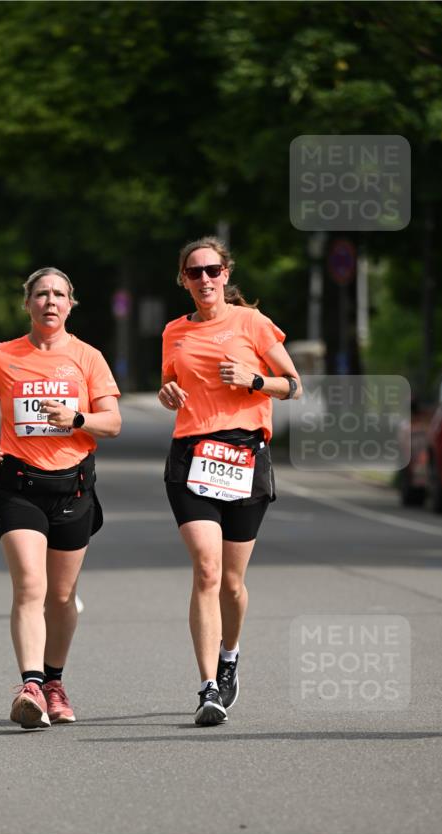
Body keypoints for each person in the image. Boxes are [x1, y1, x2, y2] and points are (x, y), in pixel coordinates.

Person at [0, 267, 121, 730]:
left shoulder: (88, 358)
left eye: (59, 294)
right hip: (19, 486)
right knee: (30, 587)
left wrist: (76, 418)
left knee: (62, 597)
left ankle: (54, 682)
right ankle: (30, 686)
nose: (50, 301)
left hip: (72, 487)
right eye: (41, 294)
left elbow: (111, 424)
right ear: (27, 303)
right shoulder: (1, 356)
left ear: (71, 304)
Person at [159, 236, 302, 726]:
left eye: (212, 270)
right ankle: (206, 689)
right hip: (192, 456)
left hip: (244, 456)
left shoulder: (252, 323)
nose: (204, 279)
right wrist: (168, 393)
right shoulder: (174, 331)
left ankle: (230, 654)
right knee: (206, 570)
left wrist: (255, 380)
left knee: (233, 584)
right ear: (183, 279)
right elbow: (169, 385)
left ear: (226, 273)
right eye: (194, 272)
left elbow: (294, 385)